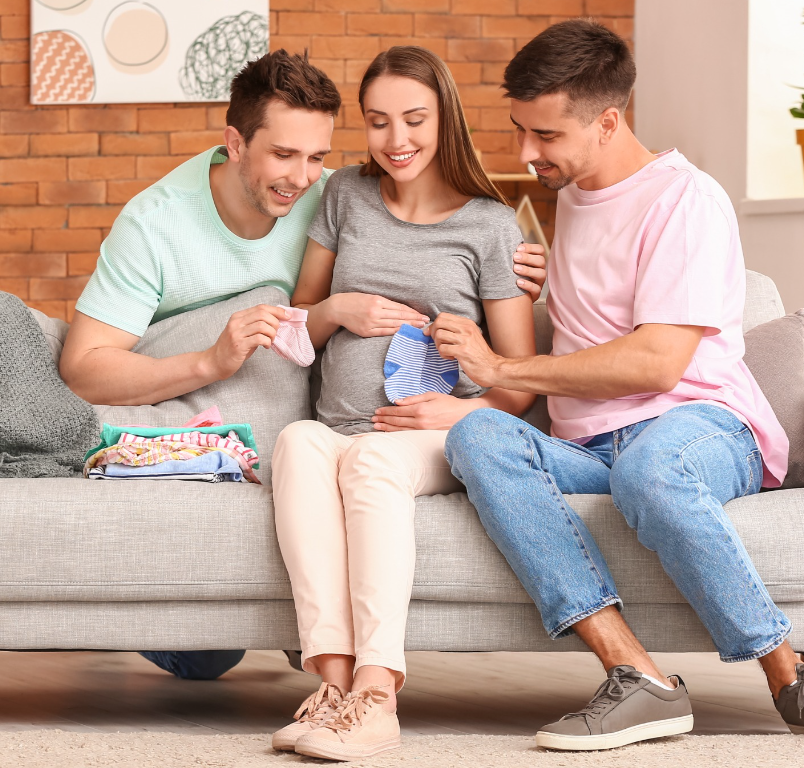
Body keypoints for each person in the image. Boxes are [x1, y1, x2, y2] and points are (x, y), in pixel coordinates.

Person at [437, 20, 804, 751]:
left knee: (650, 470)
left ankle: (793, 676)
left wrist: (503, 369)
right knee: (477, 434)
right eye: (521, 130)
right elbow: (605, 313)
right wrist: (543, 284)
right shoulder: (575, 194)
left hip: (702, 425)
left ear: (608, 120)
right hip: (592, 445)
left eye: (545, 135)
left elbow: (656, 363)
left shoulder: (686, 199)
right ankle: (638, 679)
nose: (526, 153)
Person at [59, 51, 549, 682]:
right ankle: (302, 670)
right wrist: (241, 346)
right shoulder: (179, 222)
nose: (302, 175)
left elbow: (507, 359)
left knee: (354, 463)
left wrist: (528, 278)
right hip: (262, 422)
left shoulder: (398, 207)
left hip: (390, 435)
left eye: (316, 156)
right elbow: (87, 369)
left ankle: (366, 686)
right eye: (283, 155)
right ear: (235, 144)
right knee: (206, 655)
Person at [266, 47, 537, 762]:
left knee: (376, 463)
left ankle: (378, 695)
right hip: (339, 425)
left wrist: (462, 410)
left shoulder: (489, 225)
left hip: (431, 434)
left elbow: (518, 379)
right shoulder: (346, 197)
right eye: (379, 122)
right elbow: (300, 321)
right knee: (296, 442)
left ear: (444, 117)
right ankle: (332, 689)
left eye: (414, 119)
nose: (397, 140)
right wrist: (338, 309)